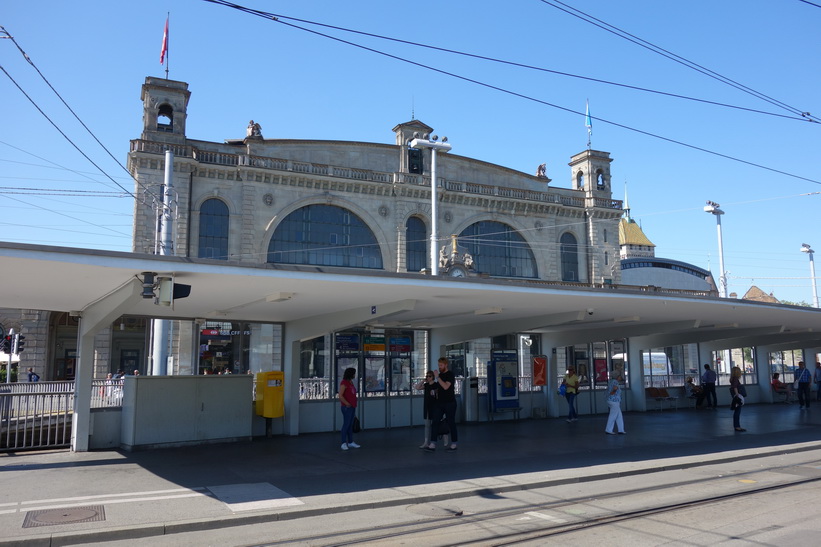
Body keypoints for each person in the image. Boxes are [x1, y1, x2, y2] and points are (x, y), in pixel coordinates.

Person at [424, 357, 458, 452]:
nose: (439, 367)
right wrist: (434, 391)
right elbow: (440, 388)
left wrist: (437, 377)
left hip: (450, 403)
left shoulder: (450, 375)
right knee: (435, 421)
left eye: (441, 365)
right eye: (439, 365)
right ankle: (433, 443)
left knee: (451, 422)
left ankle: (454, 443)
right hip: (440, 403)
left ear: (446, 365)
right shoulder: (440, 375)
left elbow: (446, 386)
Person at [415, 371, 438, 449]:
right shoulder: (426, 385)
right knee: (427, 425)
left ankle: (434, 440)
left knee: (436, 424)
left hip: (435, 407)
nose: (428, 377)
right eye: (427, 376)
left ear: (433, 377)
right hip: (427, 407)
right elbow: (417, 387)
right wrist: (422, 381)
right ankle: (426, 441)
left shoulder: (436, 385)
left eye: (430, 376)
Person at [338, 367, 360, 450]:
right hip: (347, 407)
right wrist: (347, 403)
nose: (355, 375)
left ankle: (350, 442)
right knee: (346, 424)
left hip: (352, 406)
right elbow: (340, 395)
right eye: (354, 373)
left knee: (350, 424)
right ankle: (343, 442)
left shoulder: (351, 382)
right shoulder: (344, 383)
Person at [729, 366, 746, 432]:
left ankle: (737, 426)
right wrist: (737, 395)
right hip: (737, 395)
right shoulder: (735, 379)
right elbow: (735, 387)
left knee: (737, 411)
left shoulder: (732, 379)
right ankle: (737, 426)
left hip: (735, 395)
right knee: (737, 411)